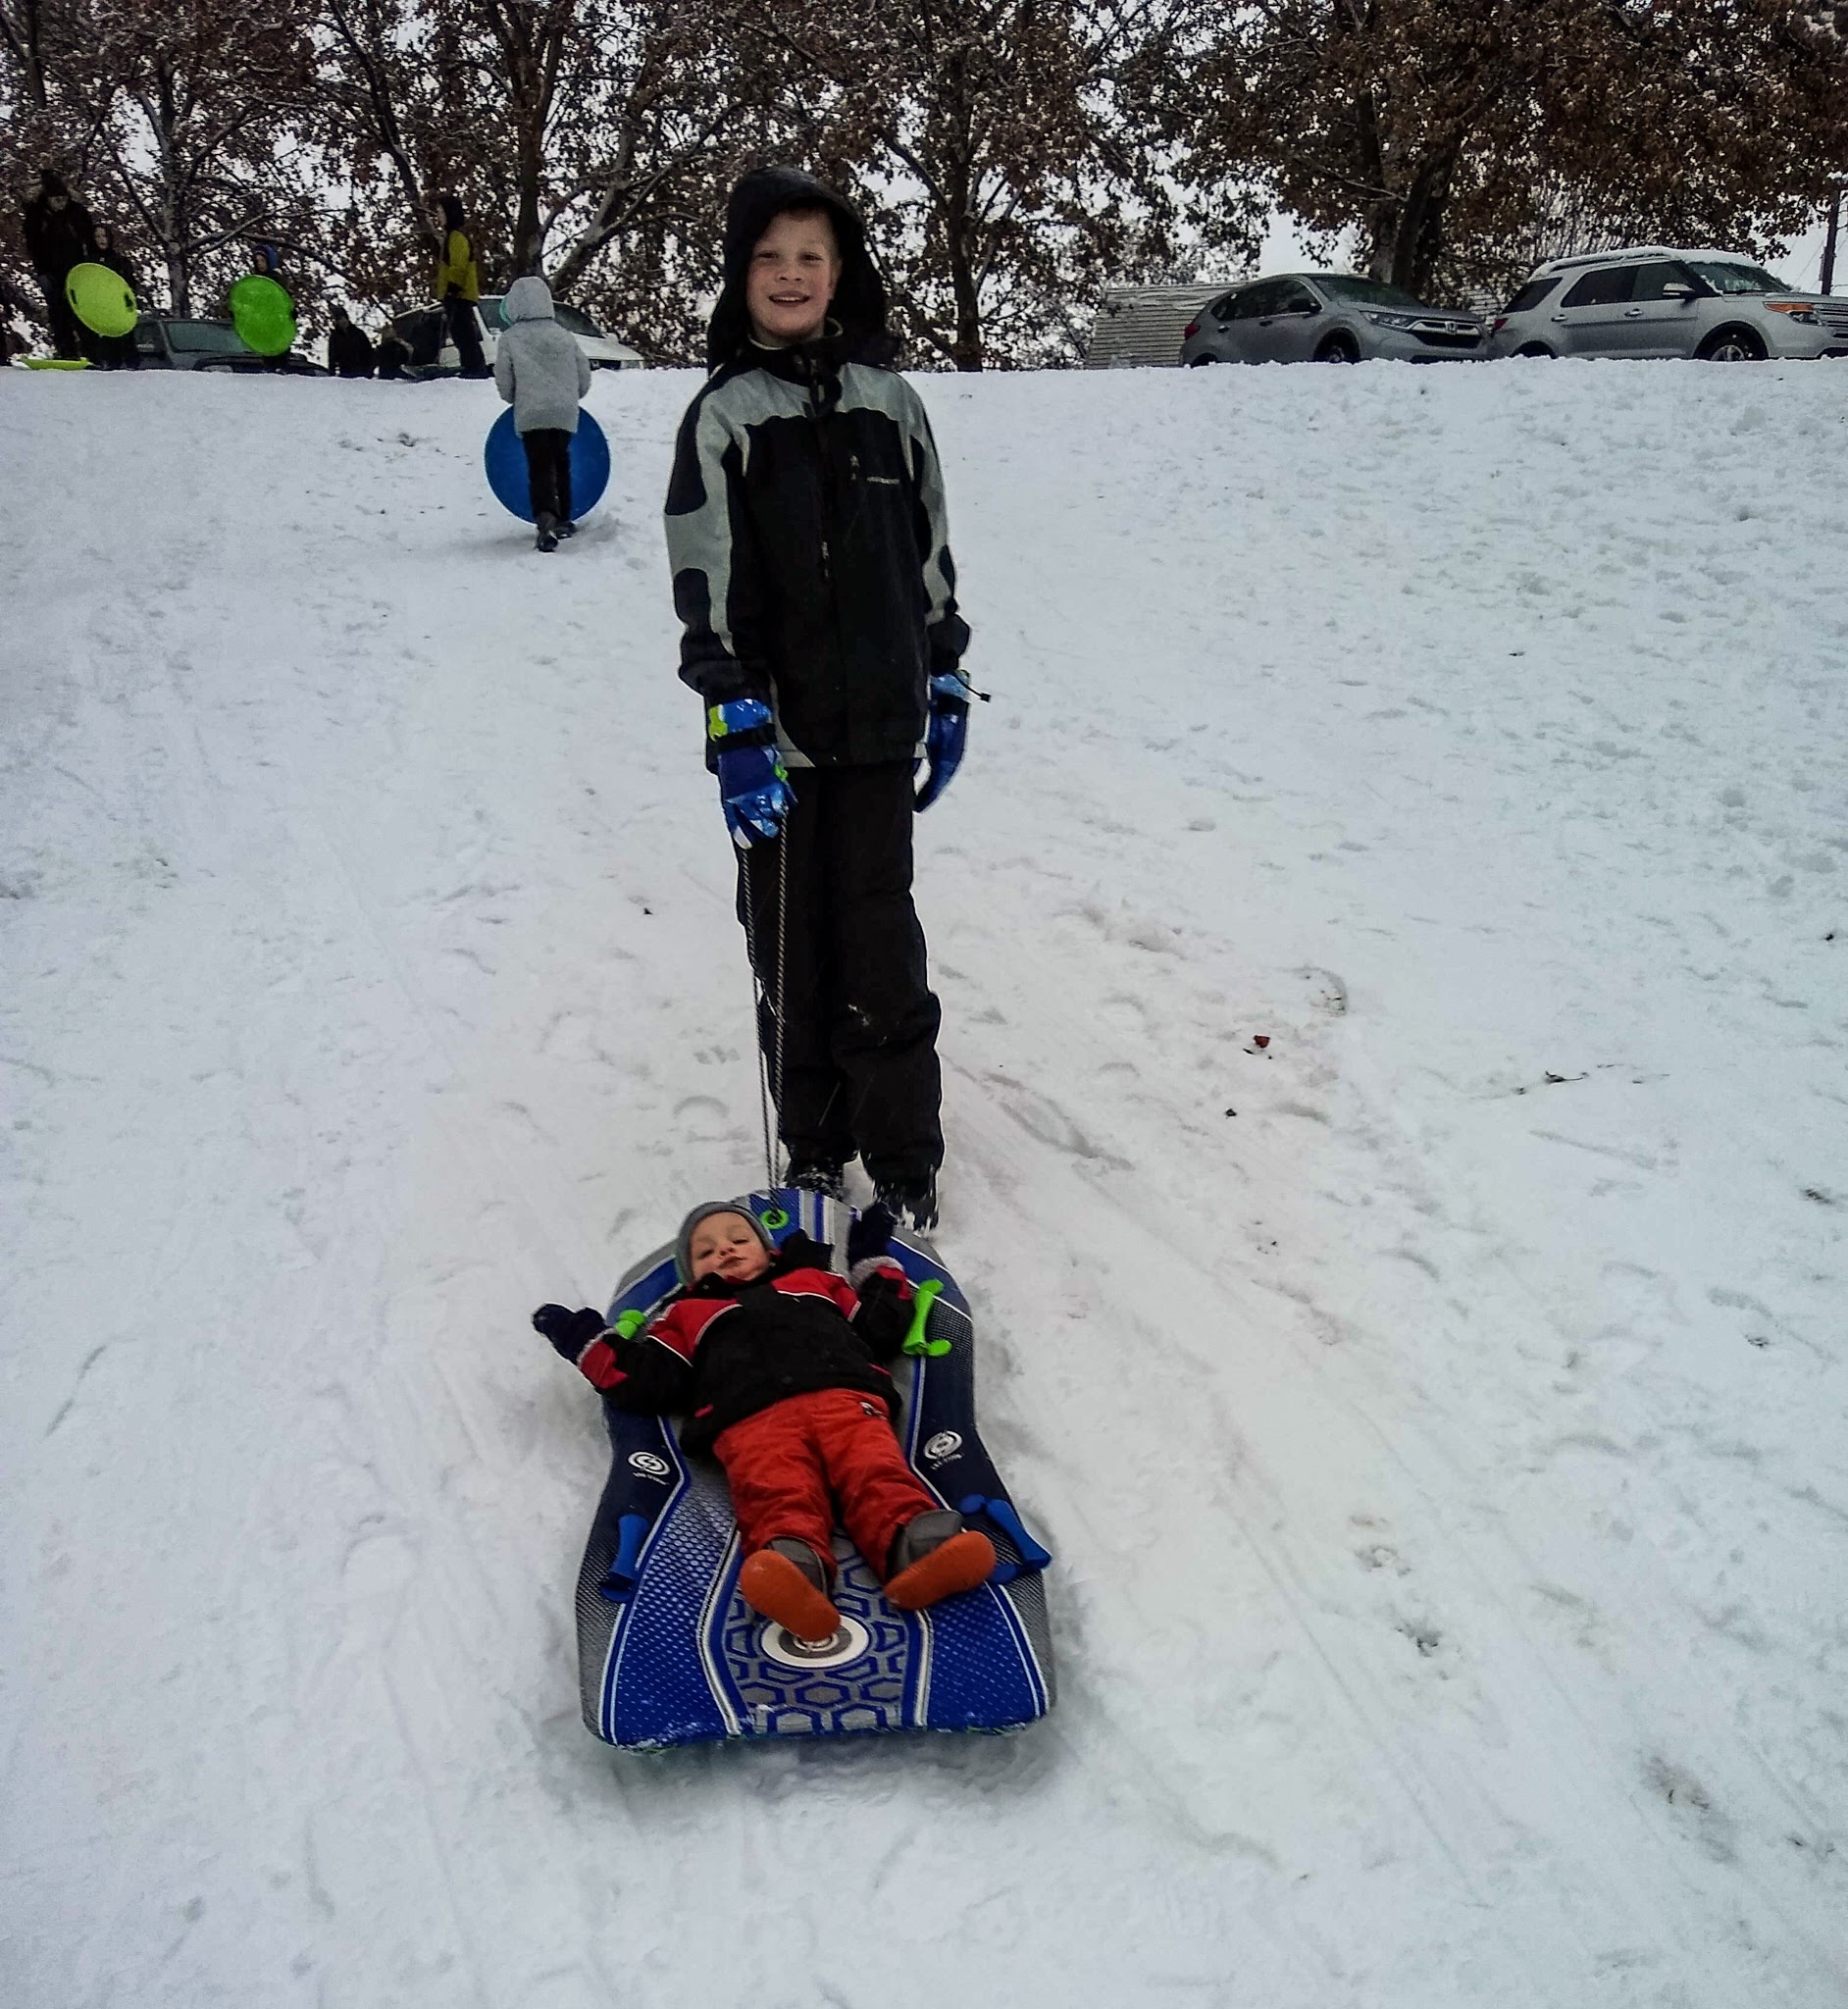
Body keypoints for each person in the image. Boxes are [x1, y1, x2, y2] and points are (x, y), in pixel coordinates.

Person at [663, 168, 974, 1232]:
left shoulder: (894, 405)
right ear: (740, 274)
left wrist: (945, 671)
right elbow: (703, 580)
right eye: (770, 257)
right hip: (776, 740)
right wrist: (732, 716)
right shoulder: (723, 416)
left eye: (811, 256)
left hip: (881, 730)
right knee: (791, 950)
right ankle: (814, 1145)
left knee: (882, 948)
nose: (790, 274)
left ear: (841, 274)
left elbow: (930, 553)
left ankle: (903, 1158)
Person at [533, 1200, 996, 1638]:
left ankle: (917, 1547)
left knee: (874, 1470)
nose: (725, 1250)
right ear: (691, 1276)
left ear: (768, 1249)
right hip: (752, 1422)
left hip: (844, 1400)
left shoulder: (815, 1281)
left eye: (739, 1239)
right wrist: (584, 1339)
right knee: (776, 1492)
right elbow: (646, 1379)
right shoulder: (685, 1315)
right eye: (706, 1252)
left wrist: (872, 1258)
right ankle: (792, 1572)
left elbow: (881, 1325)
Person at [492, 274, 592, 550]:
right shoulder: (564, 335)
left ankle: (546, 517)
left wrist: (513, 398)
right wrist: (572, 396)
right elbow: (583, 374)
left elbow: (504, 378)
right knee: (561, 462)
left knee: (539, 466)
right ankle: (564, 517)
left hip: (532, 412)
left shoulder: (510, 338)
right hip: (564, 411)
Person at [21, 168, 94, 361]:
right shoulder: (36, 214)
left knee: (81, 310)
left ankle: (91, 352)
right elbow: (33, 245)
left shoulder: (77, 212)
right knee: (58, 312)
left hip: (76, 268)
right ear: (48, 199)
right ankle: (67, 352)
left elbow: (89, 237)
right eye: (56, 200)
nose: (61, 204)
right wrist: (42, 270)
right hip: (49, 269)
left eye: (63, 200)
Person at [430, 193, 488, 377]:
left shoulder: (456, 237)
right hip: (458, 293)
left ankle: (474, 368)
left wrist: (452, 289)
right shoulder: (451, 237)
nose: (438, 216)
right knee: (461, 333)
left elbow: (458, 265)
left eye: (441, 212)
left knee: (464, 333)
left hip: (459, 294)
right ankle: (471, 366)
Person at [78, 220, 140, 369]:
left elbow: (130, 285)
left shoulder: (121, 261)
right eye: (97, 236)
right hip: (97, 311)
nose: (102, 240)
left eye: (104, 236)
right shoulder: (86, 264)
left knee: (124, 340)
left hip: (118, 309)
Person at [327, 303, 376, 379]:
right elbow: (332, 356)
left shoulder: (358, 333)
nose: (343, 321)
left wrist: (370, 370)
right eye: (340, 319)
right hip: (345, 372)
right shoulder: (334, 337)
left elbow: (369, 352)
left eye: (344, 318)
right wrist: (331, 373)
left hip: (362, 372)